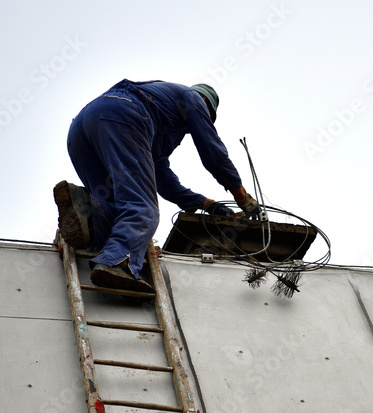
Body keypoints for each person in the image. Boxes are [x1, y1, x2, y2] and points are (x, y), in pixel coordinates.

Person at [54, 79, 260, 292]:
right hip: (124, 115)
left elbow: (162, 177)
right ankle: (114, 261)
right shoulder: (193, 98)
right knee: (143, 209)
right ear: (206, 107)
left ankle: (87, 211)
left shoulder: (165, 117)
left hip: (83, 127)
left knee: (114, 205)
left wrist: (206, 204)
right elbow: (213, 152)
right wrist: (241, 195)